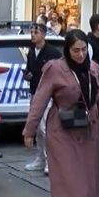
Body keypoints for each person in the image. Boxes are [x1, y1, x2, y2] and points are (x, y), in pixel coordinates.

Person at [22, 30, 99, 197]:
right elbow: (40, 100)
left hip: (88, 132)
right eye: (75, 50)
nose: (80, 55)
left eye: (83, 50)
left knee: (86, 176)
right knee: (69, 176)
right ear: (67, 50)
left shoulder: (94, 69)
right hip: (62, 131)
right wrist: (30, 130)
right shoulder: (55, 69)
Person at [23, 23, 62, 173]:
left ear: (44, 35)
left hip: (48, 95)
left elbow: (59, 71)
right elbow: (29, 70)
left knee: (45, 127)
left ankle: (50, 161)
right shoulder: (31, 52)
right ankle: (40, 158)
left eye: (36, 32)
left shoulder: (52, 52)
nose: (33, 35)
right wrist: (27, 75)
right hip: (35, 92)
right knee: (38, 128)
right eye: (31, 32)